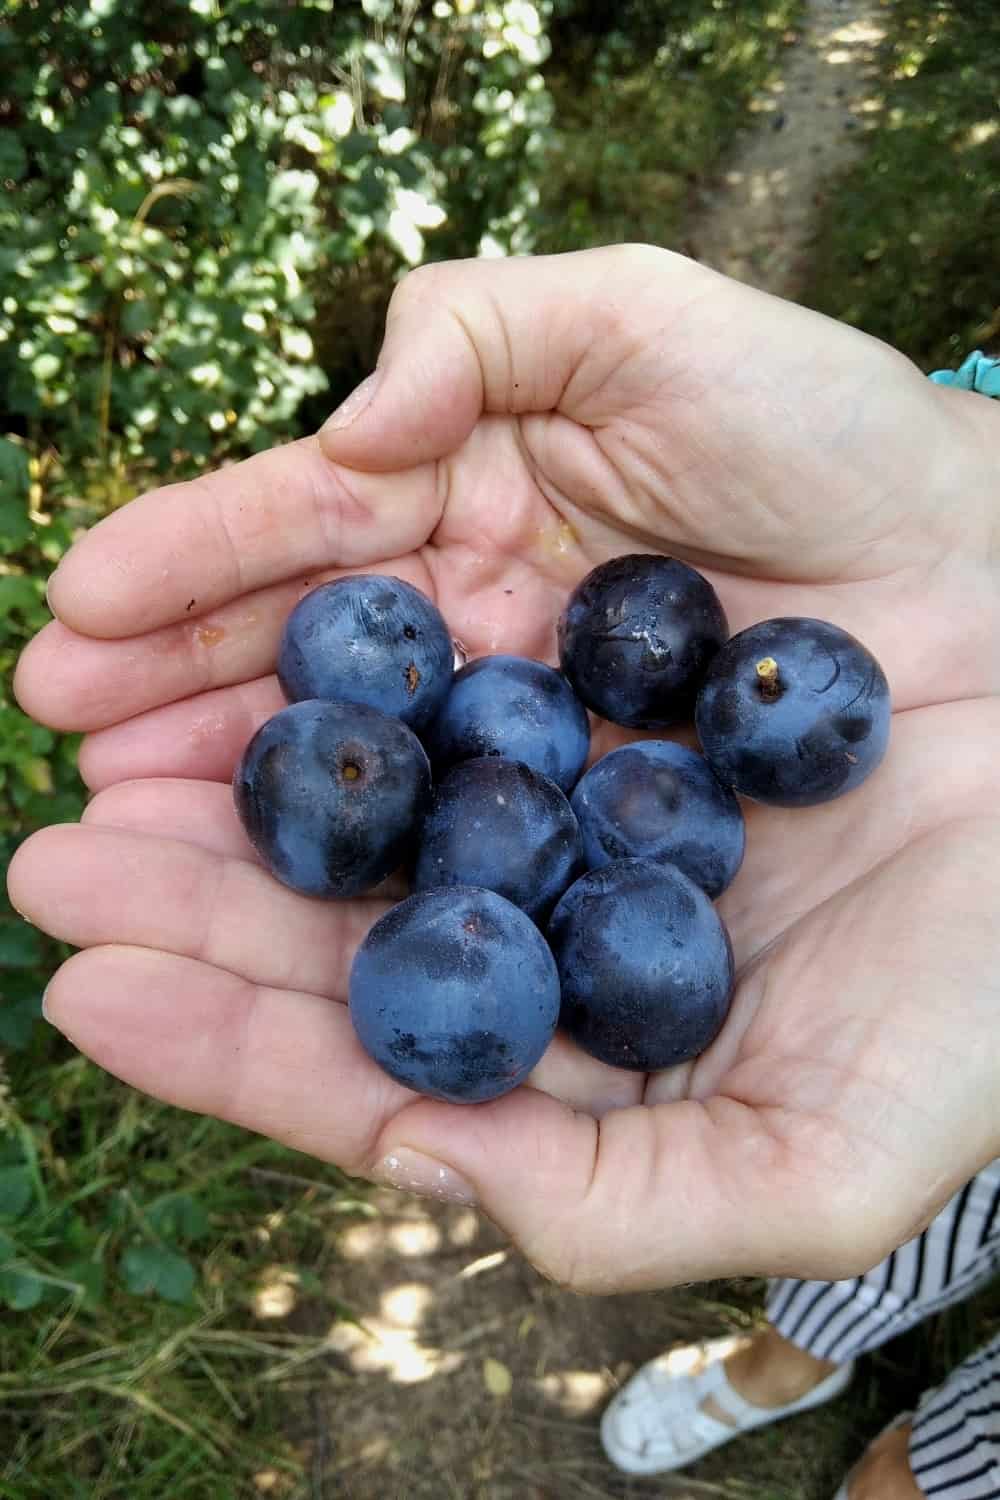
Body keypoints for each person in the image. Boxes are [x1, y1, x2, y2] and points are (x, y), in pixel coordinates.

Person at [7, 244, 1000, 1497]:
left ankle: (809, 1374)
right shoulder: (489, 767)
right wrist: (977, 483)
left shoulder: (617, 797)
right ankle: (802, 1361)